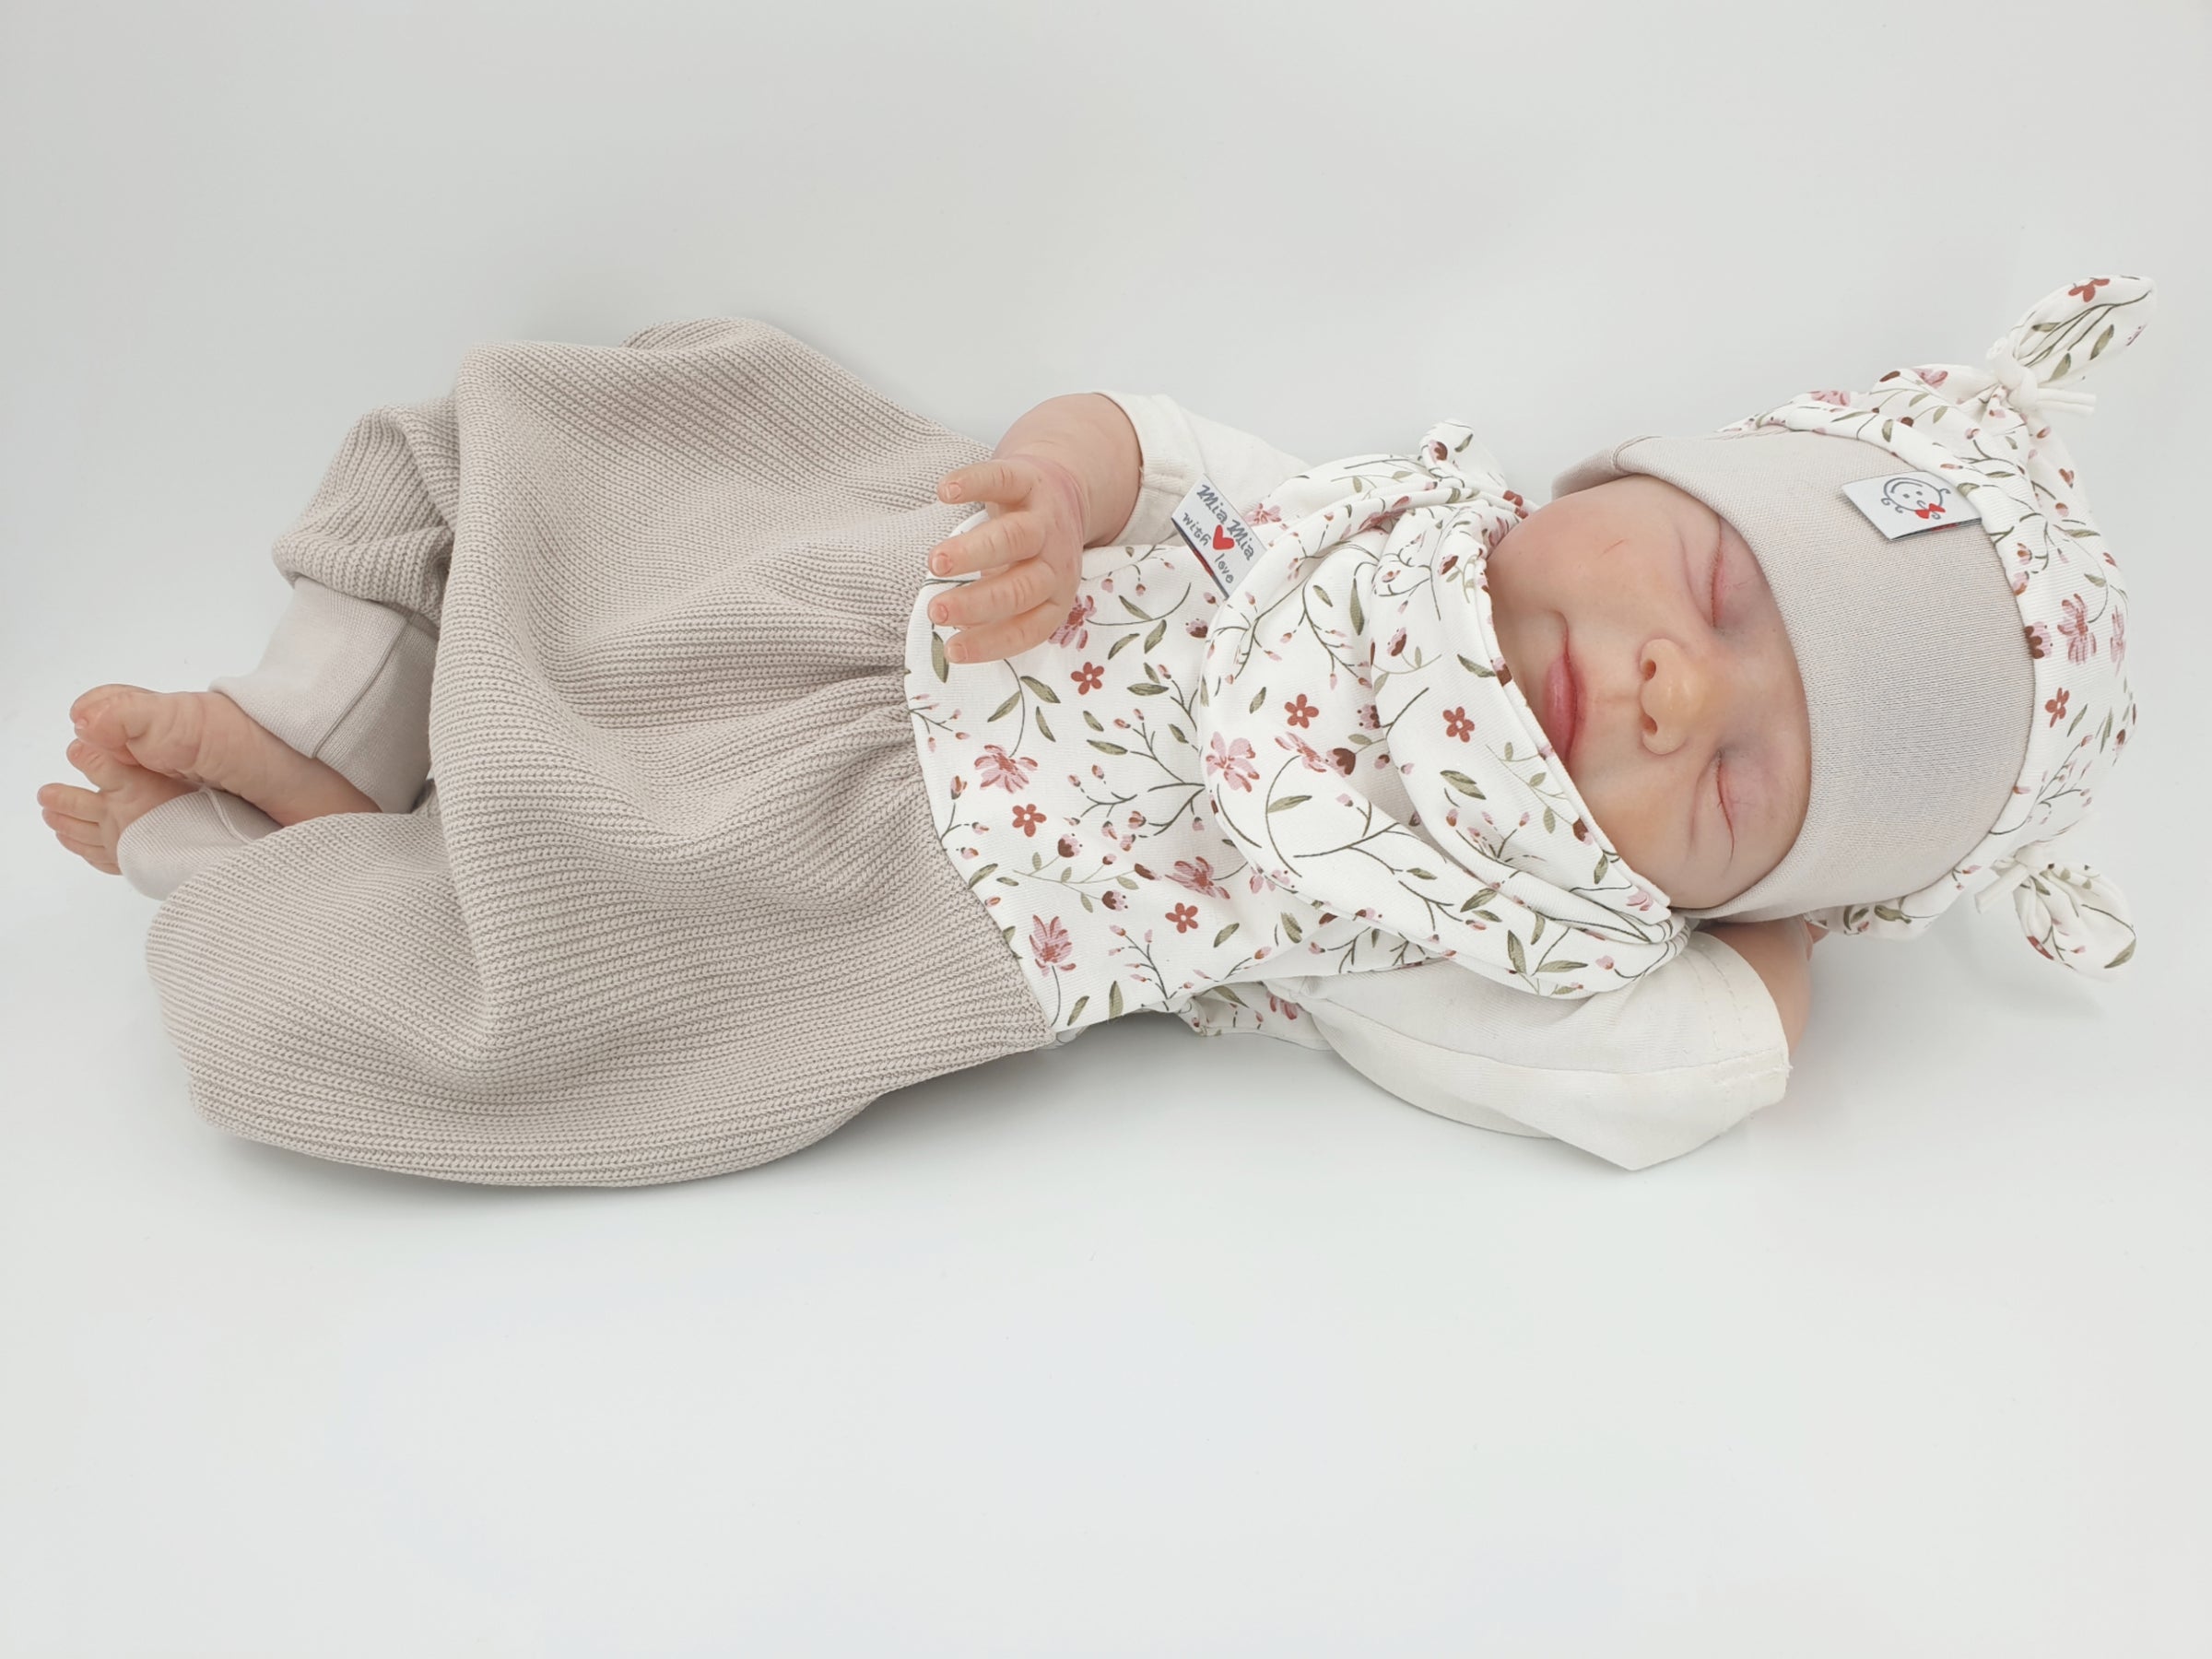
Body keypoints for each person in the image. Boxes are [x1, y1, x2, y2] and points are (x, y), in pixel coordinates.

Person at [36, 278, 2146, 1182]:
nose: (1681, 688)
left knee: (512, 1000)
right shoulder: (1370, 521)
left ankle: (262, 863)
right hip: (870, 580)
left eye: (1747, 780)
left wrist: (1799, 922)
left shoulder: (1488, 933)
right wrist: (1054, 490)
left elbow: (1712, 1063)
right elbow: (1156, 438)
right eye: (1712, 589)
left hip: (864, 901)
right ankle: (331, 710)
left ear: (1729, 897)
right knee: (565, 434)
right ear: (1622, 472)